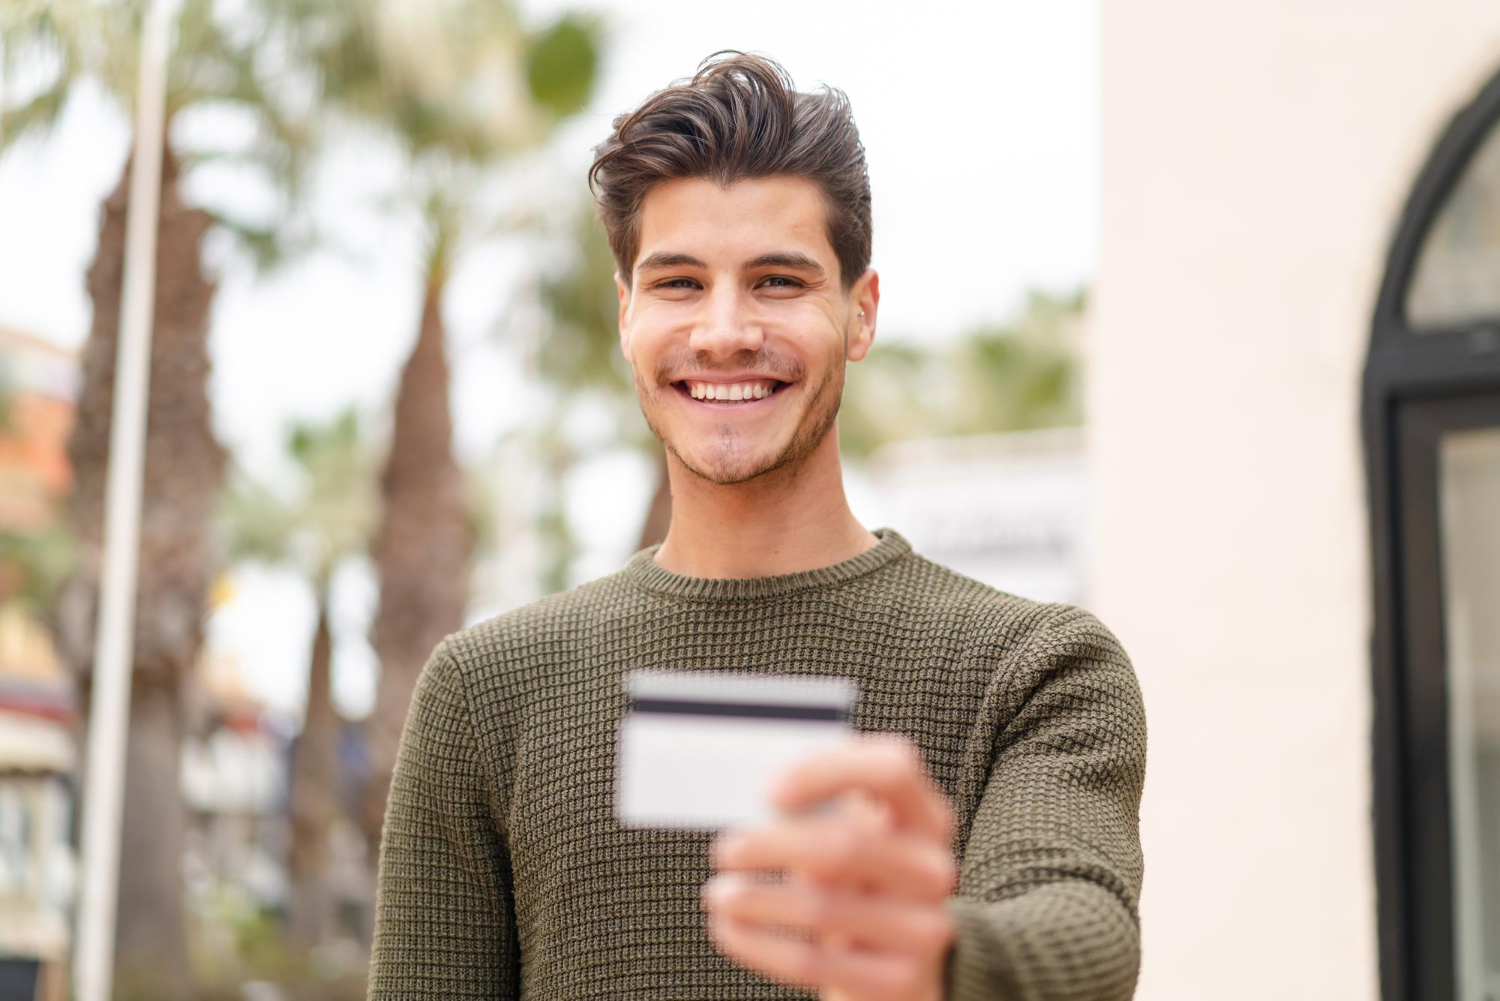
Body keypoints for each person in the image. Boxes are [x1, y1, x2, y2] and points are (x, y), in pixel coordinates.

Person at [367, 52, 1145, 1001]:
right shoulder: (484, 692)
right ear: (626, 315)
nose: (724, 331)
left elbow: (1082, 927)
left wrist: (938, 960)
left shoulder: (1038, 668)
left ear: (860, 314)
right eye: (679, 284)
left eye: (778, 281)